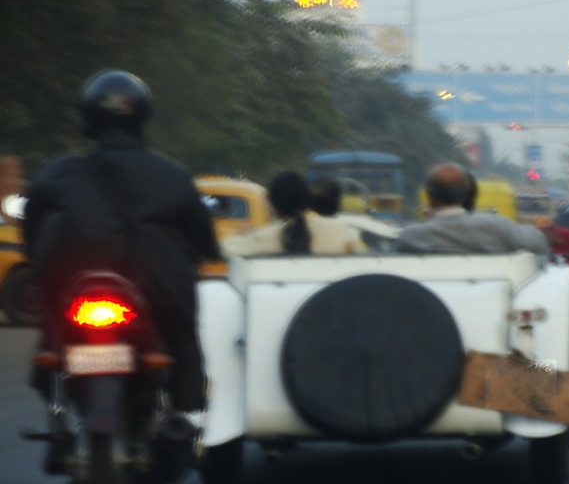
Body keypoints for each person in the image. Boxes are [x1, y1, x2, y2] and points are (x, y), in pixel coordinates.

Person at [23, 69, 220, 413]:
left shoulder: (58, 172)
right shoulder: (173, 175)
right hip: (157, 288)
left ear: (88, 117)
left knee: (51, 329)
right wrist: (206, 253)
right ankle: (186, 411)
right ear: (142, 116)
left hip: (71, 286)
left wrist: (37, 258)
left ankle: (55, 394)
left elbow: (32, 222)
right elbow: (203, 238)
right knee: (183, 337)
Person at [396, 162, 547, 255]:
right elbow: (537, 241)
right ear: (469, 193)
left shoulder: (411, 236)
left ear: (429, 197)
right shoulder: (495, 227)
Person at [221, 171, 365, 257]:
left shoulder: (266, 237)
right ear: (307, 199)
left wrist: (248, 236)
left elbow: (224, 249)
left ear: (274, 206)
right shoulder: (342, 232)